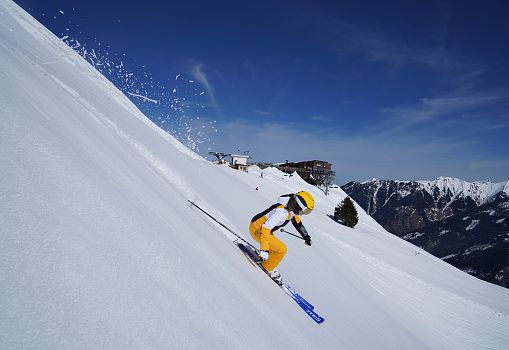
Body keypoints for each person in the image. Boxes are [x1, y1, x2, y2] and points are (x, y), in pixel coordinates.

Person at [249, 191, 314, 284]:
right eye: (306, 211)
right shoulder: (282, 212)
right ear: (299, 206)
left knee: (275, 248)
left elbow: (298, 223)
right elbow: (266, 228)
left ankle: (270, 262)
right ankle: (267, 267)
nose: (304, 213)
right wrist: (264, 249)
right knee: (281, 249)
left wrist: (306, 237)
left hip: (261, 228)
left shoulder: (291, 207)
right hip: (257, 229)